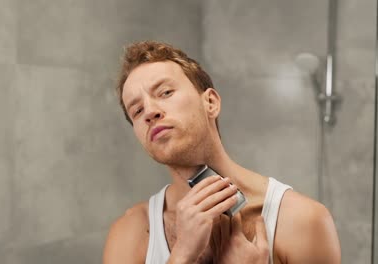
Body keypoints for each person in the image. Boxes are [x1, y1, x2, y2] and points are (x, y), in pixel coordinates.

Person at [103, 41, 341, 264]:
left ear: (211, 103)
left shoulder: (302, 221)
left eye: (165, 93)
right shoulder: (130, 232)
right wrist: (181, 255)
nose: (149, 112)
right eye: (136, 110)